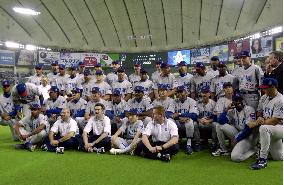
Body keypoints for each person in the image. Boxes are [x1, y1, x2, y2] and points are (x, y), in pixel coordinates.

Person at [248, 78, 283, 170]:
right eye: (263, 88)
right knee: (279, 157)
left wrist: (257, 122)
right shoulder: (264, 97)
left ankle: (262, 159)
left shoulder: (280, 100)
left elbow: (275, 120)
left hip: (280, 127)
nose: (264, 90)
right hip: (271, 129)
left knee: (263, 128)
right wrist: (259, 117)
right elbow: (259, 111)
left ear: (274, 87)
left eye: (266, 88)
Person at [172, 85, 198, 154]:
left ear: (186, 92)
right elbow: (169, 113)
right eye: (177, 92)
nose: (179, 94)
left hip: (187, 121)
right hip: (177, 121)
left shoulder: (192, 101)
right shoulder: (174, 101)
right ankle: (174, 142)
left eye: (181, 92)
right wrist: (179, 118)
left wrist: (180, 114)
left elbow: (194, 115)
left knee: (190, 121)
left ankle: (188, 145)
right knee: (170, 121)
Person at [194, 86, 217, 152]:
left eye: (206, 92)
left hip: (210, 123)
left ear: (209, 94)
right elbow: (195, 115)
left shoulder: (214, 103)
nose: (204, 94)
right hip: (200, 122)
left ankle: (214, 143)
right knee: (194, 123)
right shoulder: (197, 103)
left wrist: (209, 121)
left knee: (215, 124)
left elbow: (216, 117)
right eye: (202, 92)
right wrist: (199, 120)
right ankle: (198, 143)